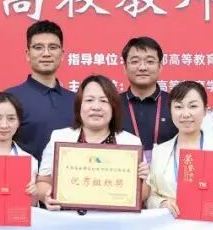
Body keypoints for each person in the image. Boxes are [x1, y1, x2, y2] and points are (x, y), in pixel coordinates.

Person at [36, 74, 149, 210]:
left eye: (104, 101)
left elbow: (144, 193)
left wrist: (142, 181)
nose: (96, 107)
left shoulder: (131, 143)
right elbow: (42, 182)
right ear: (79, 105)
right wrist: (47, 195)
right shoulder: (59, 137)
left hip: (114, 220)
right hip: (69, 219)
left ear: (113, 107)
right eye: (89, 100)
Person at [146, 81, 213, 215]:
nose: (186, 114)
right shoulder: (159, 151)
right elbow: (150, 196)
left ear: (205, 110)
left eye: (193, 106)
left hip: (210, 223)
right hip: (169, 224)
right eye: (178, 107)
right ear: (170, 111)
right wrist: (161, 203)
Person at [4, 20, 76, 164]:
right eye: (38, 47)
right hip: (24, 177)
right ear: (28, 54)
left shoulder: (77, 100)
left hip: (71, 177)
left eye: (53, 47)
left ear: (62, 54)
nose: (46, 53)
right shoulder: (9, 99)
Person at [119, 37, 177, 158]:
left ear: (160, 66)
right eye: (135, 61)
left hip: (166, 169)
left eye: (150, 61)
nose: (142, 67)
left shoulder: (175, 104)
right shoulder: (112, 105)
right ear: (124, 67)